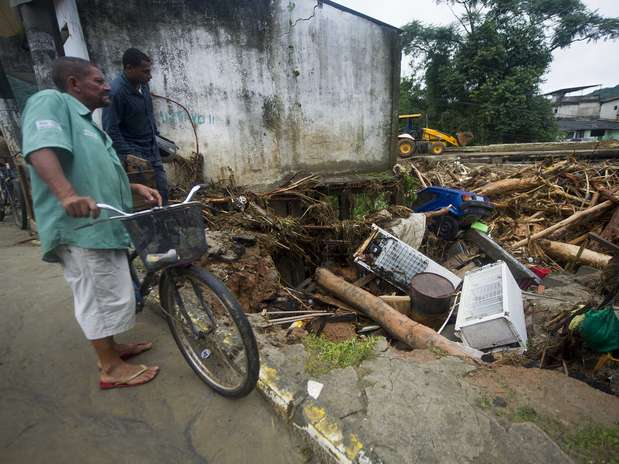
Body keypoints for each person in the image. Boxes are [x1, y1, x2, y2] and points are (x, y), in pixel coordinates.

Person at [21, 56, 162, 389]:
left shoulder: (88, 125)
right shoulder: (50, 101)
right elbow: (39, 147)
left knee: (107, 290)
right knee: (97, 293)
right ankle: (109, 368)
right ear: (73, 83)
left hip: (102, 224)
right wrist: (67, 194)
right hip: (81, 226)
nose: (106, 86)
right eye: (98, 81)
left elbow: (96, 175)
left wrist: (132, 186)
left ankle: (112, 348)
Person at [102, 48, 169, 205]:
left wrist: (157, 138)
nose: (150, 76)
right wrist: (129, 156)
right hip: (134, 154)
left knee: (162, 190)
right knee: (145, 199)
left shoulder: (143, 85)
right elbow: (110, 129)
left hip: (151, 147)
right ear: (129, 68)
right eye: (145, 72)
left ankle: (167, 226)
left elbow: (148, 115)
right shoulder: (116, 92)